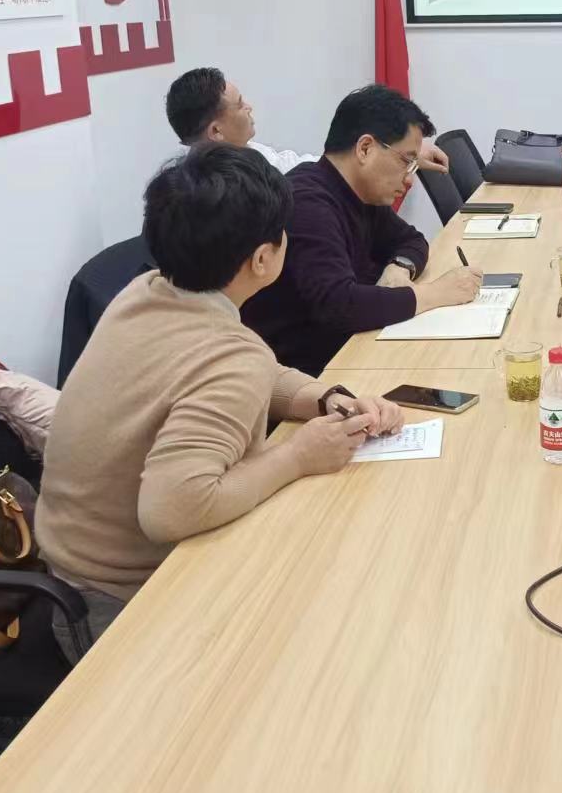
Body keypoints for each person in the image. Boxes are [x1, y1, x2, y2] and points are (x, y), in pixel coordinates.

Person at [36, 145, 404, 658]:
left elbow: (243, 369)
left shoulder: (149, 290)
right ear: (263, 259)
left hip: (67, 572)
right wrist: (297, 457)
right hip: (124, 608)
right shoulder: (230, 356)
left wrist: (325, 397)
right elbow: (173, 510)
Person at [243, 84, 481, 374]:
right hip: (317, 371)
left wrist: (399, 268)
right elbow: (339, 305)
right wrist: (436, 293)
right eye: (407, 161)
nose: (409, 179)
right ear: (365, 148)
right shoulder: (307, 203)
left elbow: (411, 240)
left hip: (358, 345)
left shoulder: (358, 191)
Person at [164, 66, 451, 177]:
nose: (249, 107)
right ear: (216, 131)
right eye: (240, 105)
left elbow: (304, 166)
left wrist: (399, 154)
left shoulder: (248, 152)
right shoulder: (210, 190)